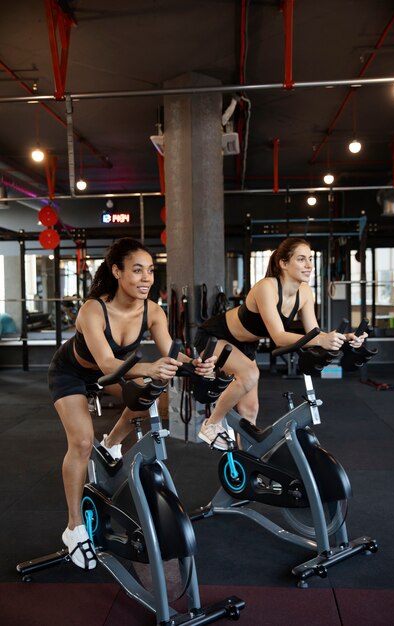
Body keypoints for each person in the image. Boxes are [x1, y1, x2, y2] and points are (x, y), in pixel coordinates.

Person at [48, 237, 216, 570]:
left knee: (150, 393)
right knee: (81, 443)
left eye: (151, 271)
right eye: (137, 270)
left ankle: (111, 444)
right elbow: (109, 364)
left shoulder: (152, 311)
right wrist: (149, 368)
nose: (146, 278)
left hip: (113, 373)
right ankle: (74, 527)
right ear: (117, 271)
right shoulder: (94, 309)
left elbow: (170, 353)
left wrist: (195, 364)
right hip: (72, 374)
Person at [194, 237, 367, 450]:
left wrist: (345, 338)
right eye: (301, 259)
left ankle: (248, 464)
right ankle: (211, 424)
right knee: (250, 374)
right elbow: (278, 336)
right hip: (216, 336)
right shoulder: (266, 287)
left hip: (245, 346)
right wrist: (322, 339)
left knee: (250, 411)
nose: (309, 265)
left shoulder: (304, 292)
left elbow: (314, 334)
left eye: (310, 259)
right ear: (283, 263)